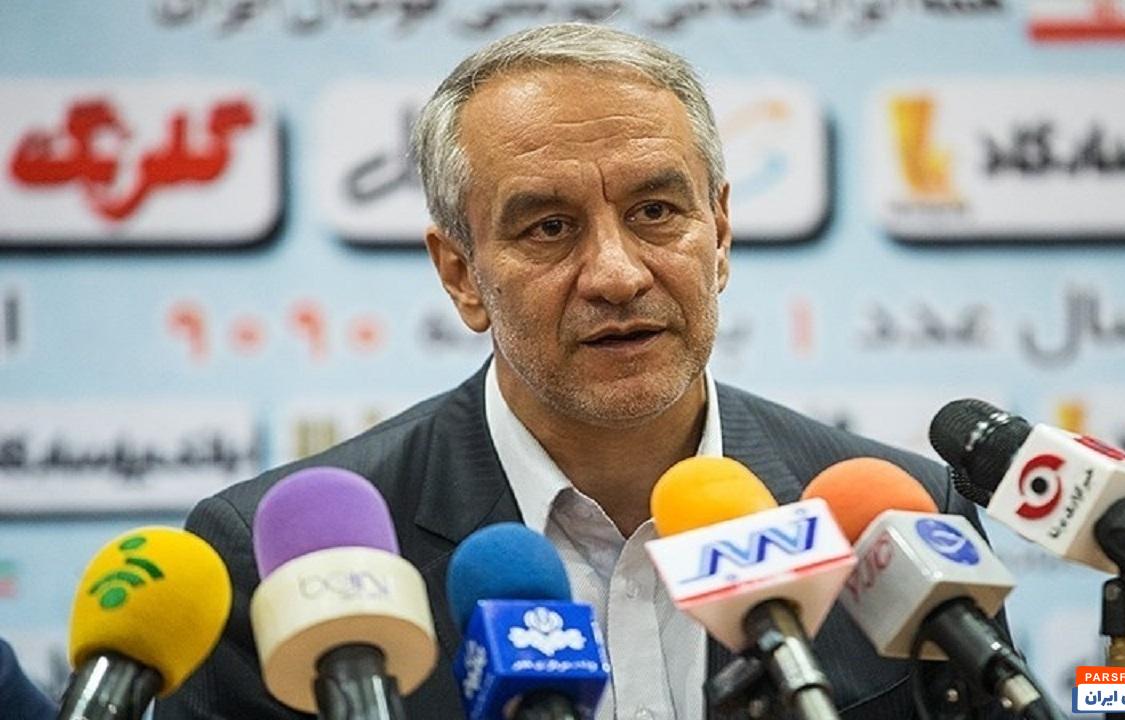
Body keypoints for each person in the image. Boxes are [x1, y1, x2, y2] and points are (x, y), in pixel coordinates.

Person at [156, 22, 1012, 719]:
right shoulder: (272, 567)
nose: (617, 274)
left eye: (655, 211)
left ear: (719, 234)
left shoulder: (904, 519)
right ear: (461, 274)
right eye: (549, 228)